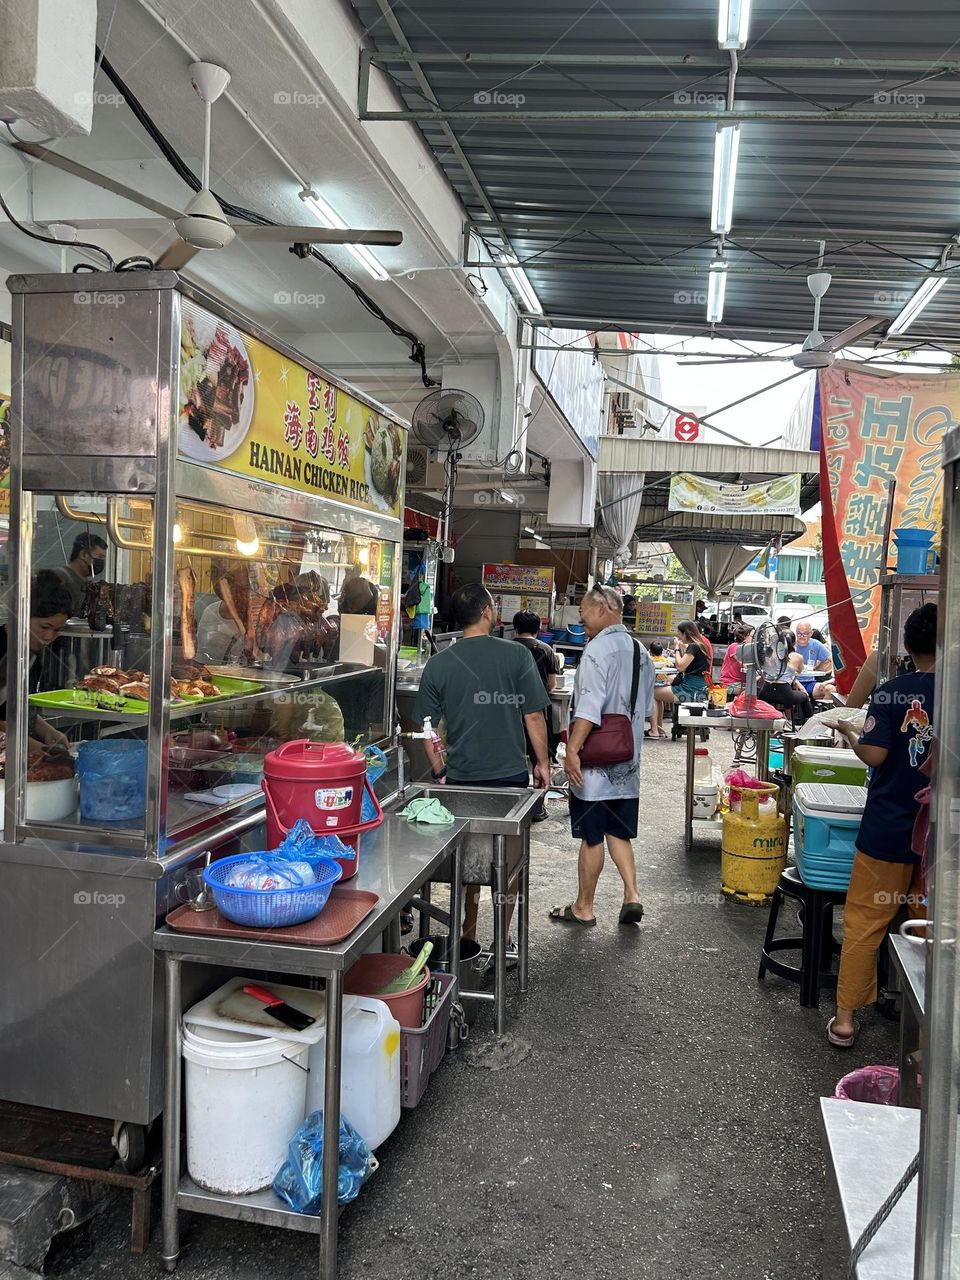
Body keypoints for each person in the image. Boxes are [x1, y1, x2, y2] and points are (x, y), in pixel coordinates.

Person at [414, 583, 551, 945]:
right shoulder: (516, 656)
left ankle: (468, 932)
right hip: (508, 778)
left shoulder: (439, 663)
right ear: (488, 612)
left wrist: (440, 769)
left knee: (467, 862)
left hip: (460, 777)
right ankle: (501, 938)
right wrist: (543, 763)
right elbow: (534, 715)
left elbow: (427, 729)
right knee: (508, 863)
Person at [827, 604, 937, 1048]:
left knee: (865, 922)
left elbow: (874, 756)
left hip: (889, 829)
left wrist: (851, 735)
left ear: (907, 645)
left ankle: (846, 1020)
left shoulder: (892, 692)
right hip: (940, 838)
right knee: (932, 927)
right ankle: (930, 1027)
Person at [549, 585, 655, 927]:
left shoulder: (597, 651)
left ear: (603, 609)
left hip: (595, 765)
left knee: (592, 836)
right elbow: (648, 704)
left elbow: (589, 711)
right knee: (618, 831)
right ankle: (632, 895)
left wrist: (572, 752)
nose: (580, 617)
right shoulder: (641, 651)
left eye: (583, 610)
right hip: (628, 760)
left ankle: (583, 908)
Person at [0, 572, 72, 753]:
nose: (49, 637)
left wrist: (48, 730)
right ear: (20, 615)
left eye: (57, 630)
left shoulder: (32, 656)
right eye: (45, 627)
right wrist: (32, 747)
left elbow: (12, 707)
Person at [512, 609, 560, 820]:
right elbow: (551, 685)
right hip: (538, 710)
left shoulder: (507, 648)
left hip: (508, 708)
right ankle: (538, 807)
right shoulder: (546, 650)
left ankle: (512, 805)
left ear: (515, 627)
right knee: (539, 758)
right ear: (538, 628)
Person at [653, 620, 712, 734]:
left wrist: (676, 648)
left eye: (679, 633)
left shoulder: (694, 647)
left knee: (652, 692)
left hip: (690, 692)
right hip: (699, 689)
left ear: (685, 633)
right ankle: (658, 729)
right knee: (658, 691)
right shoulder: (700, 645)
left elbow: (680, 667)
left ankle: (655, 730)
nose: (678, 636)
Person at [759, 630, 814, 723]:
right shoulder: (797, 657)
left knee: (785, 696)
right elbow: (800, 670)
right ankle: (809, 722)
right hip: (784, 693)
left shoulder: (769, 655)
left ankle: (782, 721)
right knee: (804, 697)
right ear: (793, 643)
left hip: (766, 691)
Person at [51, 533, 107, 618]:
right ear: (84, 554)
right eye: (100, 556)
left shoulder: (88, 585)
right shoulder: (60, 578)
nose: (101, 561)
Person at [720, 625, 753, 696]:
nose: (755, 639)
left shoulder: (748, 649)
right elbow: (743, 664)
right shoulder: (734, 647)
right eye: (752, 636)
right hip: (731, 683)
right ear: (745, 637)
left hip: (741, 682)